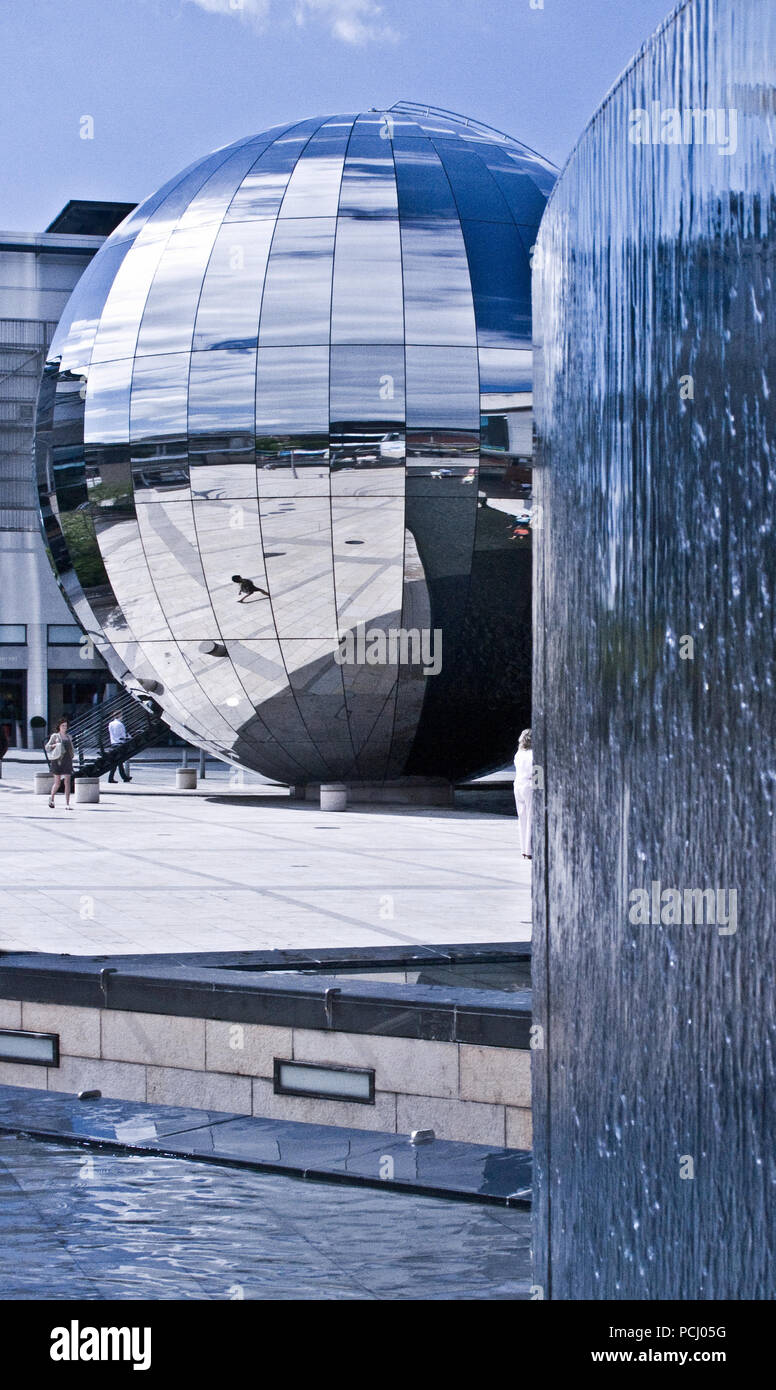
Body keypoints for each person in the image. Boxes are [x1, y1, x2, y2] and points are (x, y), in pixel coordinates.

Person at [45, 718, 75, 810]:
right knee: (57, 783)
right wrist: (55, 745)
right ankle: (52, 798)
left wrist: (72, 756)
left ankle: (67, 803)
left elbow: (71, 749)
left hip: (67, 760)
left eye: (66, 726)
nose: (64, 727)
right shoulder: (55, 736)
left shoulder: (69, 736)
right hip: (57, 760)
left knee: (67, 782)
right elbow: (47, 747)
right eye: (63, 726)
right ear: (59, 726)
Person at [513, 728, 533, 859]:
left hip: (518, 784)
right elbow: (537, 771)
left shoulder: (518, 754)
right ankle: (530, 850)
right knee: (532, 817)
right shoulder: (534, 754)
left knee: (522, 818)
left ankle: (524, 850)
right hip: (530, 785)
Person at [107, 713, 131, 783]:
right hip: (120, 745)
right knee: (118, 762)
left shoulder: (110, 724)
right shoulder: (120, 724)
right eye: (121, 716)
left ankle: (124, 777)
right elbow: (123, 735)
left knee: (117, 762)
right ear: (119, 716)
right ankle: (113, 778)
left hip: (113, 743)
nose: (122, 717)